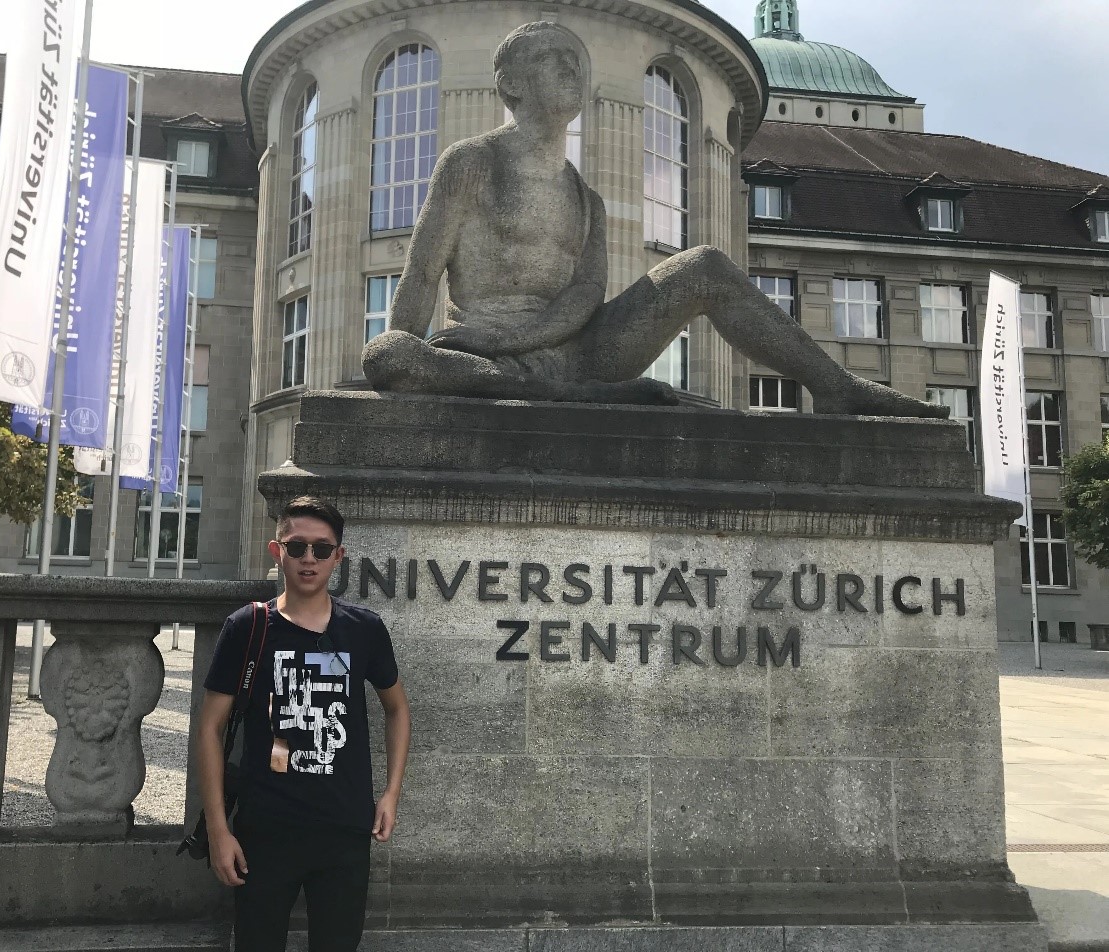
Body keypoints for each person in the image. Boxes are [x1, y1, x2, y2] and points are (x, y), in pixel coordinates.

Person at [363, 21, 945, 418]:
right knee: (386, 354)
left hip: (576, 353)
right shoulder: (471, 163)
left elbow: (584, 300)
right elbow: (420, 277)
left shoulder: (586, 199)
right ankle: (561, 395)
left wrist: (513, 339)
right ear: (510, 83)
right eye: (548, 58)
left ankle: (837, 387)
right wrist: (400, 369)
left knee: (706, 267)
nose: (569, 68)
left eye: (574, 60)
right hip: (478, 360)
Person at [196, 495, 411, 952]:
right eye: (297, 547)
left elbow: (397, 708)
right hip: (265, 831)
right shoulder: (247, 627)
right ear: (278, 552)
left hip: (344, 830)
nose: (308, 558)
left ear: (338, 556)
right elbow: (210, 729)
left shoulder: (364, 629)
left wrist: (391, 793)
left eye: (321, 548)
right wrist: (218, 829)